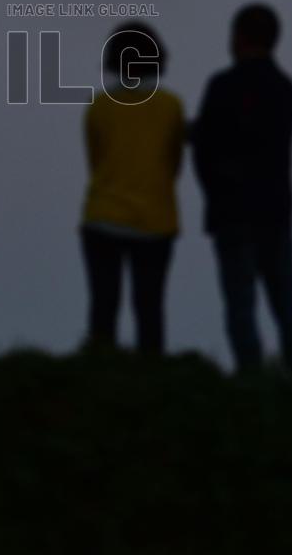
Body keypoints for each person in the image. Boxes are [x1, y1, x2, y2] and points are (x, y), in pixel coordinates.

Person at [193, 4, 292, 375]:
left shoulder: (222, 87)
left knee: (240, 306)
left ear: (240, 37)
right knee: (287, 305)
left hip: (233, 213)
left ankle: (251, 382)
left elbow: (205, 148)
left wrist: (215, 191)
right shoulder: (285, 89)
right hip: (275, 212)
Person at [80, 21, 185, 354]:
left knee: (103, 307)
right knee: (150, 310)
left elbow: (95, 161)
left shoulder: (99, 106)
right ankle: (151, 383)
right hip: (156, 221)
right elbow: (174, 164)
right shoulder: (172, 107)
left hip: (103, 218)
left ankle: (100, 376)